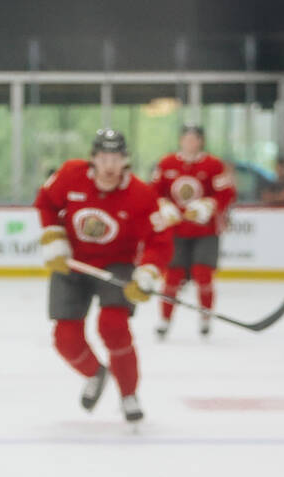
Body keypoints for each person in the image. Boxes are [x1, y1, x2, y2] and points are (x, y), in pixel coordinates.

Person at [35, 128, 173, 423]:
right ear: (93, 159)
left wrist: (147, 273)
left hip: (117, 265)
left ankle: (128, 394)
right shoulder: (70, 174)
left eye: (116, 158)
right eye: (103, 157)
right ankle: (96, 373)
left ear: (126, 160)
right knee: (65, 339)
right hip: (72, 260)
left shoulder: (141, 194)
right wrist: (54, 238)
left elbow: (160, 241)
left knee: (113, 326)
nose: (109, 165)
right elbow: (46, 201)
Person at [150, 126, 236, 339]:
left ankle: (205, 316)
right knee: (172, 277)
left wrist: (210, 205)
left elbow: (226, 193)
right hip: (176, 231)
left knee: (203, 274)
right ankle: (165, 320)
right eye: (186, 138)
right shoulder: (167, 163)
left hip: (204, 231)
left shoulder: (213, 165)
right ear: (181, 140)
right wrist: (162, 204)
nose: (190, 142)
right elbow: (152, 191)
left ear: (200, 141)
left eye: (194, 139)